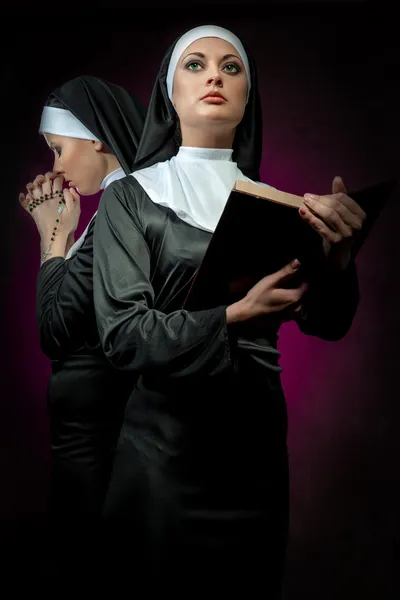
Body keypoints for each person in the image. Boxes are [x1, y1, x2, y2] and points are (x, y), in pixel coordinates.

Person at [92, 26, 364, 595]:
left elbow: (327, 323)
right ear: (170, 92)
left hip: (256, 462)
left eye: (231, 67)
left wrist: (338, 260)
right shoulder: (130, 196)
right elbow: (123, 336)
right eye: (195, 65)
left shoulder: (282, 209)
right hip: (162, 458)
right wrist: (234, 316)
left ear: (248, 96)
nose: (214, 75)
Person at [18, 75, 146, 583]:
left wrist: (52, 234)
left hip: (98, 438)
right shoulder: (117, 207)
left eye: (58, 149)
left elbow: (55, 330)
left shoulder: (121, 207)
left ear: (95, 136)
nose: (56, 167)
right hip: (91, 433)